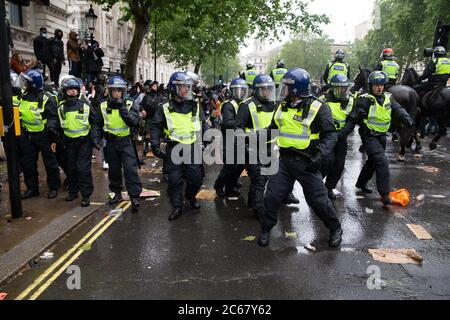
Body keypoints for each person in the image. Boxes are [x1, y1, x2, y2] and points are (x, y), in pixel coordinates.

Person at [257, 68, 343, 248]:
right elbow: (273, 129)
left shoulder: (319, 107)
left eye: (287, 87)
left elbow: (331, 135)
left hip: (307, 162)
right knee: (272, 196)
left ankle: (335, 228)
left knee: (318, 200)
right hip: (284, 161)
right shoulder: (282, 106)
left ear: (297, 89)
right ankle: (265, 229)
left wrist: (320, 155)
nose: (283, 90)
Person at [339, 71, 414, 204]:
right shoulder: (364, 99)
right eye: (376, 85)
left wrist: (406, 117)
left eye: (382, 85)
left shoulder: (388, 97)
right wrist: (341, 134)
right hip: (369, 136)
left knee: (373, 162)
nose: (379, 87)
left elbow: (398, 108)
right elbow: (352, 119)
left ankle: (361, 183)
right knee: (381, 161)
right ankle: (385, 195)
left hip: (382, 137)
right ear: (370, 86)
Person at [150, 72, 208, 221]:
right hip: (174, 148)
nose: (186, 89)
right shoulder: (164, 107)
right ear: (174, 88)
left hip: (192, 147)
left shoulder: (195, 104)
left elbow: (203, 124)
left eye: (187, 87)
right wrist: (155, 145)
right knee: (174, 181)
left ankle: (190, 196)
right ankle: (177, 206)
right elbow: (155, 126)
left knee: (196, 178)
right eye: (182, 87)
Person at [92, 76, 142, 210]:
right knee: (114, 170)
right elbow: (97, 124)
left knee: (130, 169)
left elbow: (133, 122)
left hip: (126, 142)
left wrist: (122, 108)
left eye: (119, 91)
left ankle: (134, 196)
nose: (117, 93)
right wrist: (96, 138)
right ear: (110, 91)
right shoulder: (102, 105)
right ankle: (116, 193)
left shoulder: (131, 104)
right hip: (110, 142)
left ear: (123, 91)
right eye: (114, 91)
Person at [235, 74, 276, 216]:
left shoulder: (274, 105)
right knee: (259, 179)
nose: (267, 92)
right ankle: (258, 209)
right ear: (256, 90)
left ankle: (252, 202)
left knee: (267, 178)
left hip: (271, 147)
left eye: (269, 89)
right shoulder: (246, 106)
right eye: (264, 89)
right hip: (252, 147)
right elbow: (237, 129)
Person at [50, 77, 95, 206]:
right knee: (71, 168)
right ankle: (73, 192)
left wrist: (95, 138)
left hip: (84, 141)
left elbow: (94, 121)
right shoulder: (61, 107)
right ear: (65, 91)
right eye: (70, 90)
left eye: (75, 89)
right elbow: (58, 124)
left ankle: (86, 195)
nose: (73, 92)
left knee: (83, 168)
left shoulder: (86, 105)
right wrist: (54, 138)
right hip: (69, 142)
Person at [16, 69, 61, 199]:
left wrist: (51, 130)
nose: (24, 85)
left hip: (44, 135)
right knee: (27, 163)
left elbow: (53, 117)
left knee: (50, 163)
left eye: (26, 82)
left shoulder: (47, 98)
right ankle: (32, 189)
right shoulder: (23, 95)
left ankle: (53, 188)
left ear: (34, 84)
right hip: (28, 135)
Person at [318, 74, 354, 200]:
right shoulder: (323, 98)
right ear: (332, 88)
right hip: (326, 136)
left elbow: (351, 121)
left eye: (344, 88)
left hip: (340, 137)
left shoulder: (351, 99)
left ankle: (329, 187)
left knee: (339, 164)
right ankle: (317, 186)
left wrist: (341, 134)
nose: (343, 91)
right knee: (327, 161)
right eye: (339, 88)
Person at [214, 77, 248, 197]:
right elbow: (228, 123)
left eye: (243, 90)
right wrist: (241, 124)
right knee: (230, 165)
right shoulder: (229, 105)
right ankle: (219, 184)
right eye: (238, 90)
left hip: (239, 138)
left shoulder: (243, 104)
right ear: (232, 91)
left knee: (240, 165)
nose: (241, 93)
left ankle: (231, 186)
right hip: (229, 138)